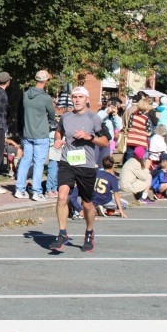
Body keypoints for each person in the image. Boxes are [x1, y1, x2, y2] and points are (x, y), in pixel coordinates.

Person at [49, 86, 111, 254]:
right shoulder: (66, 117)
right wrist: (58, 141)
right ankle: (62, 233)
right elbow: (59, 132)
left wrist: (89, 137)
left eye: (80, 97)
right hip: (67, 161)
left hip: (86, 165)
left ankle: (89, 232)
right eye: (74, 97)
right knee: (62, 196)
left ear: (87, 100)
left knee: (87, 204)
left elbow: (106, 141)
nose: (77, 100)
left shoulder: (94, 118)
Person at [15, 70, 56, 201]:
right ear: (46, 81)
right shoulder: (45, 97)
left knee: (25, 160)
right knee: (39, 163)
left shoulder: (26, 94)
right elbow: (52, 115)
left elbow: (20, 113)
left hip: (28, 133)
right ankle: (36, 191)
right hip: (41, 134)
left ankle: (19, 189)